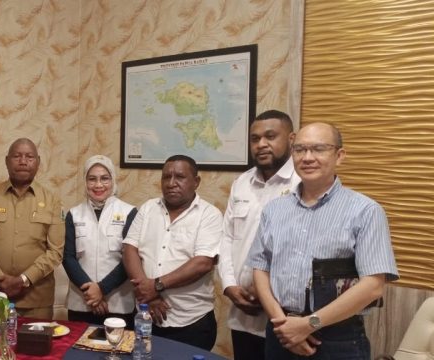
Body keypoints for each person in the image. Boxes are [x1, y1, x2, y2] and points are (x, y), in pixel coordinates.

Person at [248, 122, 398, 359]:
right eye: (300, 149)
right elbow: (260, 268)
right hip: (281, 331)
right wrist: (282, 324)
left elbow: (373, 286)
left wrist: (309, 324)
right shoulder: (274, 210)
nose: (307, 157)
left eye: (318, 149)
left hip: (336, 338)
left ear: (339, 155)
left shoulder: (365, 211)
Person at [217, 110, 300, 360]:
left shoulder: (302, 182)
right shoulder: (242, 183)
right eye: (255, 139)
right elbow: (227, 238)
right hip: (243, 311)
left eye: (270, 136)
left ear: (292, 139)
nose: (261, 144)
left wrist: (266, 292)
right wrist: (229, 285)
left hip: (286, 316)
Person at [122, 155, 222, 351]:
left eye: (180, 177)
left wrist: (156, 285)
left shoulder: (209, 215)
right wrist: (149, 296)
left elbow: (203, 263)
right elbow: (129, 250)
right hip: (146, 316)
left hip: (191, 322)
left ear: (196, 182)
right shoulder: (148, 208)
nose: (171, 183)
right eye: (166, 177)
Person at [0, 138, 65, 320]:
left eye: (29, 157)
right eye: (17, 156)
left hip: (37, 301)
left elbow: (56, 252)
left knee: (35, 340)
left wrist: (24, 279)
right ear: (6, 161)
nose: (23, 161)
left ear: (38, 162)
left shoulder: (52, 201)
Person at [63, 155, 137, 326]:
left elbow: (130, 259)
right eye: (92, 179)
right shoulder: (74, 214)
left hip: (118, 304)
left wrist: (101, 289)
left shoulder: (129, 212)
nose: (98, 185)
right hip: (82, 303)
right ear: (85, 181)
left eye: (104, 178)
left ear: (113, 180)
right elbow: (68, 258)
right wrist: (92, 294)